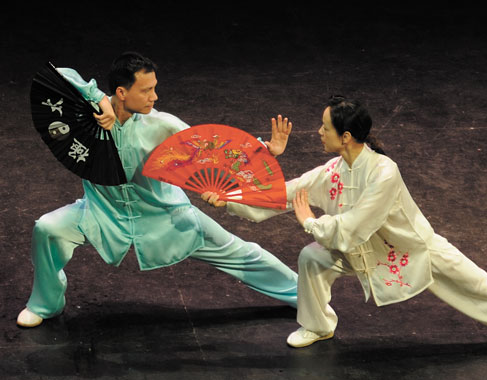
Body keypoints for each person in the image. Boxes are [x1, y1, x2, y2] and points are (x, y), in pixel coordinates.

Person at [202, 95, 487, 357]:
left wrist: (312, 223)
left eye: (324, 126)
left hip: (412, 251)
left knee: (480, 286)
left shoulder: (383, 172)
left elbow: (353, 226)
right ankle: (318, 324)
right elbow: (284, 194)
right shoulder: (333, 170)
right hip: (360, 253)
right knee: (313, 260)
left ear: (345, 137)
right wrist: (230, 198)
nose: (318, 131)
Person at [17, 52, 298, 328]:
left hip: (165, 216)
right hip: (102, 213)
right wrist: (100, 99)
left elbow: (212, 150)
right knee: (48, 228)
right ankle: (46, 304)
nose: (155, 97)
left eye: (154, 89)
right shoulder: (91, 113)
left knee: (239, 252)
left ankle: (302, 294)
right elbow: (59, 77)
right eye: (147, 90)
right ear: (121, 92)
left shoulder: (163, 124)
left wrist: (263, 149)